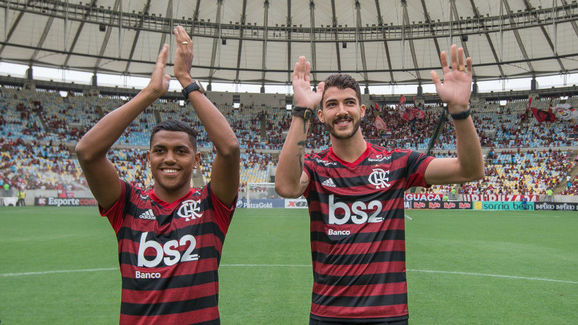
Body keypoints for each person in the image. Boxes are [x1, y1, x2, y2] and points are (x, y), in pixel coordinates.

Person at [275, 45, 484, 324]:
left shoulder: (397, 162)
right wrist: (301, 110)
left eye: (349, 102)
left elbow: (469, 170)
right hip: (329, 314)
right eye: (331, 104)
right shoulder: (314, 167)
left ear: (361, 109)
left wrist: (459, 110)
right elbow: (286, 187)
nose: (342, 111)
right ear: (321, 115)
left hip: (389, 314)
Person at [76, 26, 240, 324]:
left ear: (196, 159)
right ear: (148, 157)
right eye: (161, 150)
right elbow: (87, 152)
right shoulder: (127, 204)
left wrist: (187, 81)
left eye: (181, 151)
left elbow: (229, 149)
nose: (170, 159)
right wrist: (150, 93)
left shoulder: (211, 206)